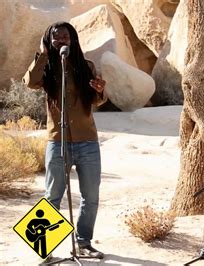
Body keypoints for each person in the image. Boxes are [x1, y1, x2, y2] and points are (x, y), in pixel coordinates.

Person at [23, 21, 107, 259]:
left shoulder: (86, 66)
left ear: (73, 40)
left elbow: (96, 100)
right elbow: (29, 82)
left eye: (65, 37)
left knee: (91, 196)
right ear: (49, 41)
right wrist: (42, 54)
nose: (62, 41)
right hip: (57, 142)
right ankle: (43, 249)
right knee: (52, 196)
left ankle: (83, 243)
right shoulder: (47, 68)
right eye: (56, 37)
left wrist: (101, 91)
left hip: (87, 142)